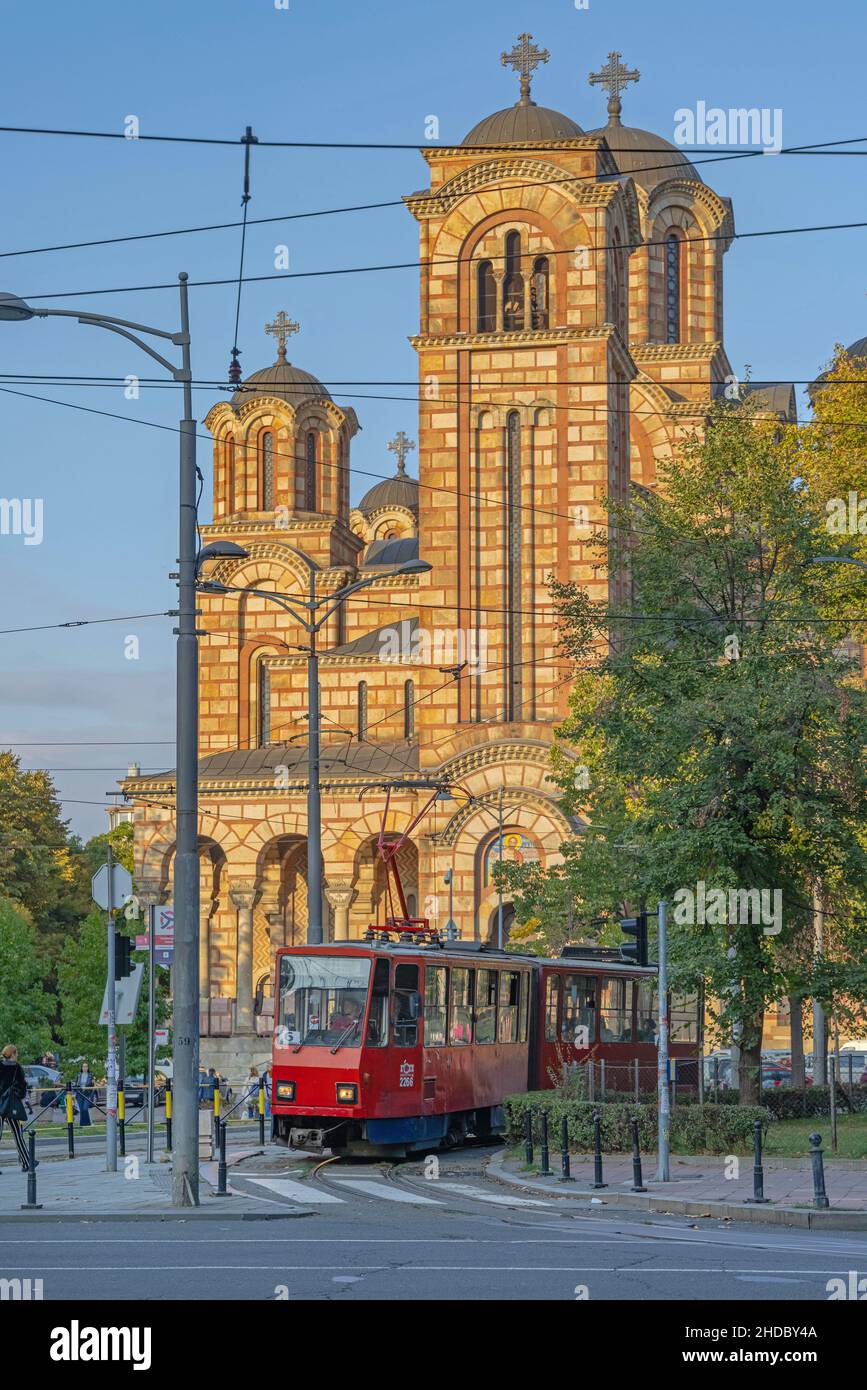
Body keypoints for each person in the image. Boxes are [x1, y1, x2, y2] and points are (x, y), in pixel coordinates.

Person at [0, 1044, 31, 1173]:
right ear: (13, 1054)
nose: (17, 1056)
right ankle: (26, 1162)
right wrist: (19, 1095)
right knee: (18, 1134)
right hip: (10, 1104)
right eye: (16, 1053)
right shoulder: (17, 1068)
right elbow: (22, 1086)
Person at [75, 1062, 94, 1127]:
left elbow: (92, 1085)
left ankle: (87, 1123)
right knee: (81, 1109)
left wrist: (87, 1088)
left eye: (86, 1066)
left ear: (88, 1068)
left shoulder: (90, 1075)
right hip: (79, 1093)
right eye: (83, 1067)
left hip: (87, 1093)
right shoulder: (78, 1075)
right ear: (81, 1068)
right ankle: (82, 1124)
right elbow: (76, 1084)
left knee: (85, 1108)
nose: (84, 1068)